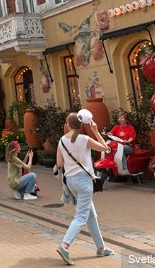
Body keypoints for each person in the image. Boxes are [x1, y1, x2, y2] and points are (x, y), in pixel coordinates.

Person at [56, 112, 114, 265]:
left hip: (71, 182)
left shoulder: (62, 141)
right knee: (81, 217)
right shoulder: (85, 139)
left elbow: (60, 164)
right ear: (81, 124)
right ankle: (65, 245)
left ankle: (101, 248)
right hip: (84, 182)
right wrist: (95, 130)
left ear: (68, 125)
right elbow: (106, 149)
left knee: (90, 216)